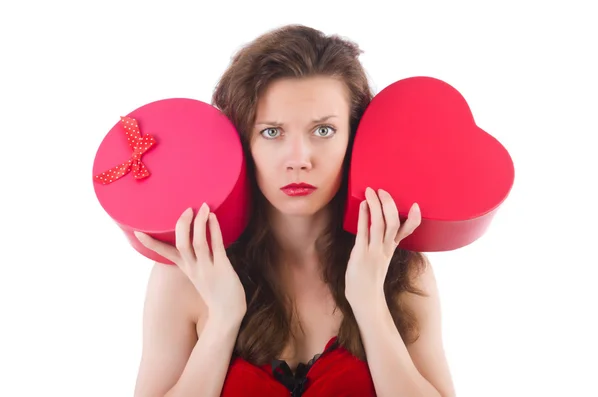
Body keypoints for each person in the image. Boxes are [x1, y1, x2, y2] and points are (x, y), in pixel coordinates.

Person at [132, 24, 455, 397]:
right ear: (241, 140)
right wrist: (223, 318)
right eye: (272, 132)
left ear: (354, 137)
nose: (299, 160)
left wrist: (370, 304)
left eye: (323, 131)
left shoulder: (401, 270)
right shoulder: (186, 272)